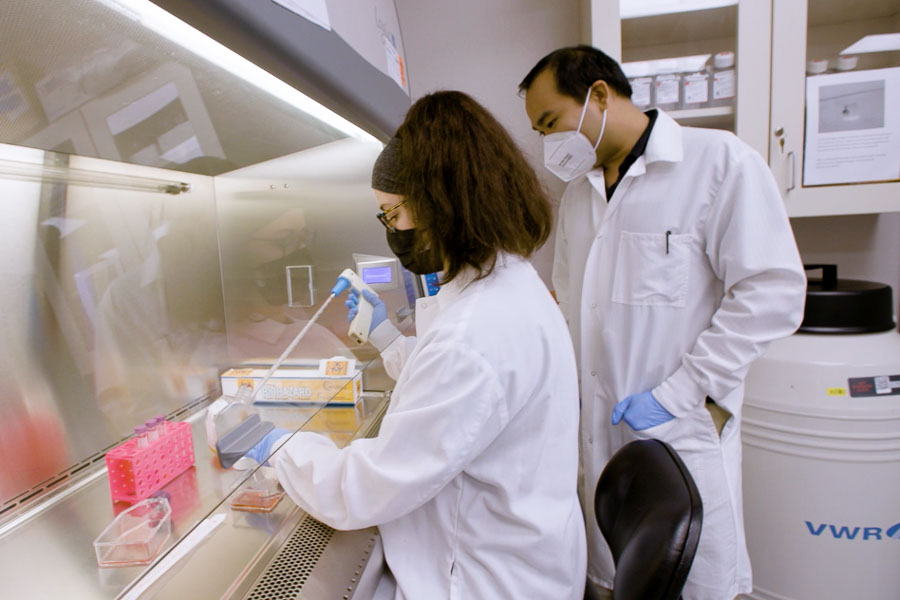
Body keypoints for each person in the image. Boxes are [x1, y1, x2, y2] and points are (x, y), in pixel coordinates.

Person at [246, 90, 587, 599]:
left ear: (440, 204)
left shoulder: (476, 333)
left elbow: (368, 486)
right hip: (526, 554)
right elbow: (460, 397)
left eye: (393, 215)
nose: (392, 231)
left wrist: (282, 449)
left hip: (482, 581)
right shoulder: (510, 285)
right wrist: (385, 337)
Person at [519, 46, 807, 599]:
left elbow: (772, 292)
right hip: (600, 440)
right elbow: (569, 303)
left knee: (691, 582)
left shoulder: (719, 162)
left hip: (680, 430)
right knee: (617, 582)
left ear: (599, 96)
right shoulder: (578, 196)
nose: (550, 143)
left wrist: (683, 393)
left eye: (551, 123)